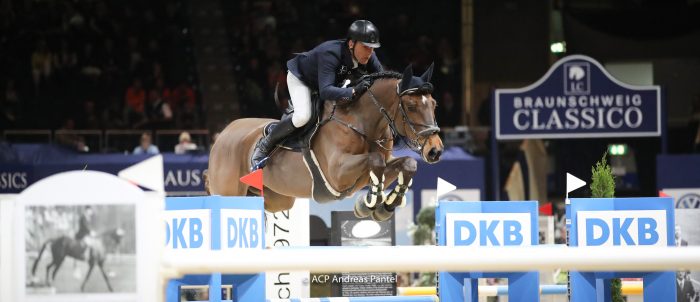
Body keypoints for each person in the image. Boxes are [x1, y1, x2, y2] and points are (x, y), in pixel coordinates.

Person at [250, 20, 384, 170]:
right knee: (303, 117)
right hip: (302, 79)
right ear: (352, 43)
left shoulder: (368, 56)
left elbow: (383, 79)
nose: (369, 52)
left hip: (328, 82)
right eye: (366, 47)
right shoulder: (331, 53)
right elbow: (325, 91)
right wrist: (353, 91)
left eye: (372, 48)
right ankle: (264, 145)